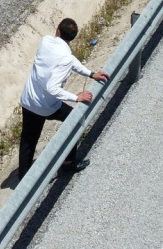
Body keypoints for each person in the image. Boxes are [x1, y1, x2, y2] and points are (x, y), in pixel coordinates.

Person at [17, 18, 110, 178]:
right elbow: (52, 88)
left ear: (58, 31)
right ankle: (68, 163)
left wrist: (90, 73)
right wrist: (76, 97)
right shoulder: (65, 57)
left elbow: (70, 60)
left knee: (28, 138)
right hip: (46, 106)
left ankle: (23, 177)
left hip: (28, 100)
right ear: (73, 37)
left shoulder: (46, 41)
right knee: (74, 121)